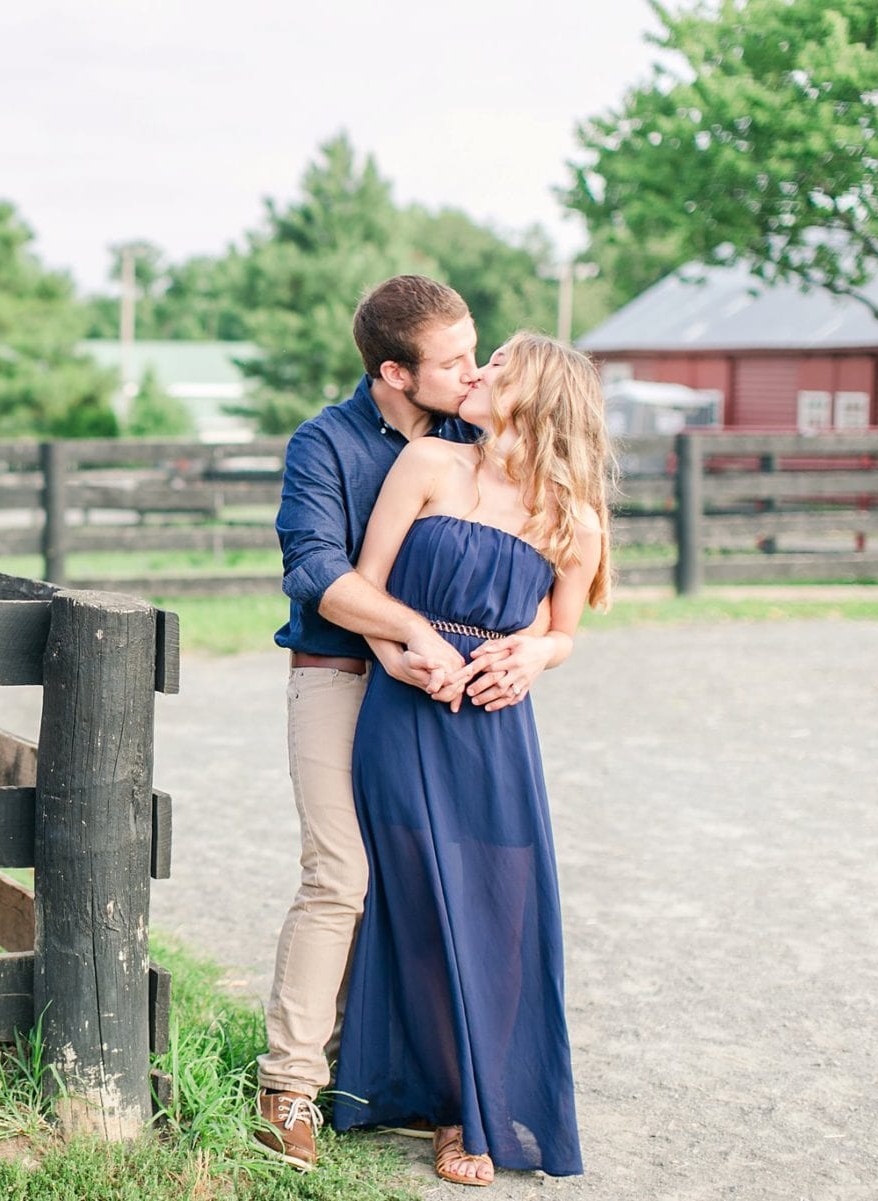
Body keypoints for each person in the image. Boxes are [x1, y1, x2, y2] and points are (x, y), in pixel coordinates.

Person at [254, 276, 554, 1171]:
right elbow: (316, 569)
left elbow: (544, 555)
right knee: (341, 873)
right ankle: (289, 1085)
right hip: (341, 675)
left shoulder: (480, 433)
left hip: (448, 696)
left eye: (476, 352)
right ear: (394, 370)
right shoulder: (327, 444)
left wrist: (536, 647)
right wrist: (409, 634)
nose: (473, 370)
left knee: (438, 880)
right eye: (453, 360)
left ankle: (430, 1086)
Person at [330, 331, 612, 1186]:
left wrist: (531, 658)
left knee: (496, 904)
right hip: (404, 706)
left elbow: (564, 634)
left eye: (498, 367)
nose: (478, 373)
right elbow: (362, 587)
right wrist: (402, 658)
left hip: (495, 728)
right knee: (413, 895)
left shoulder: (576, 518)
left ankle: (473, 1107)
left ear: (535, 395)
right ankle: (427, 1098)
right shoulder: (426, 463)